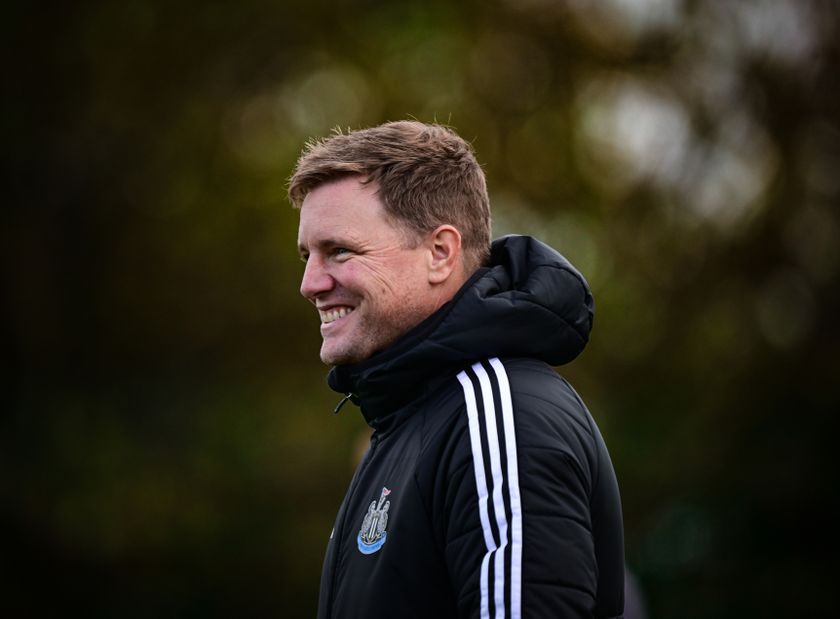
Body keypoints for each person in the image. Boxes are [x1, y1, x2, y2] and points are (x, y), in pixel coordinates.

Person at [290, 121, 624, 619]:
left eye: (340, 251)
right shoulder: (409, 417)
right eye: (307, 255)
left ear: (440, 253)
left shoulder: (500, 413)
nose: (310, 283)